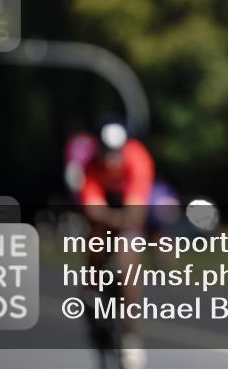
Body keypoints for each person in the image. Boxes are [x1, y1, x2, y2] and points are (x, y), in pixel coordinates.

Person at [79, 118, 154, 369]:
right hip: (105, 218)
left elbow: (136, 213)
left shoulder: (138, 158)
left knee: (127, 263)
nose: (111, 159)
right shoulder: (89, 165)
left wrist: (117, 218)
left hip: (127, 216)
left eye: (116, 153)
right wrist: (107, 218)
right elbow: (92, 209)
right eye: (106, 153)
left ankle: (132, 337)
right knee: (97, 237)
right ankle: (91, 284)